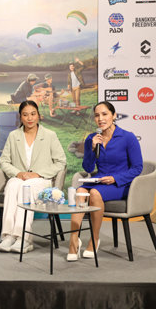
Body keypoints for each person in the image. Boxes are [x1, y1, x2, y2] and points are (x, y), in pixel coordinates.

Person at [67, 102, 143, 261]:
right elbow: (88, 167)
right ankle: (73, 241)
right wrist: (92, 148)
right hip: (100, 180)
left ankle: (94, 239)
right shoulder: (91, 138)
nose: (100, 119)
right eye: (97, 115)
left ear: (114, 116)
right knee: (80, 191)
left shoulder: (127, 137)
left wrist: (116, 178)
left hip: (120, 184)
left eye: (104, 114)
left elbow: (137, 168)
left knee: (94, 193)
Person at [0, 101, 66, 254]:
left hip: (42, 179)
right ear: (20, 117)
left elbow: (61, 162)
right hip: (20, 177)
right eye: (25, 114)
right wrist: (19, 173)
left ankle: (24, 238)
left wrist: (38, 174)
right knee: (12, 185)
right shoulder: (14, 135)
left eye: (33, 114)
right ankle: (8, 236)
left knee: (25, 187)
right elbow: (4, 161)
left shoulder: (49, 135)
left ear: (38, 115)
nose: (29, 118)